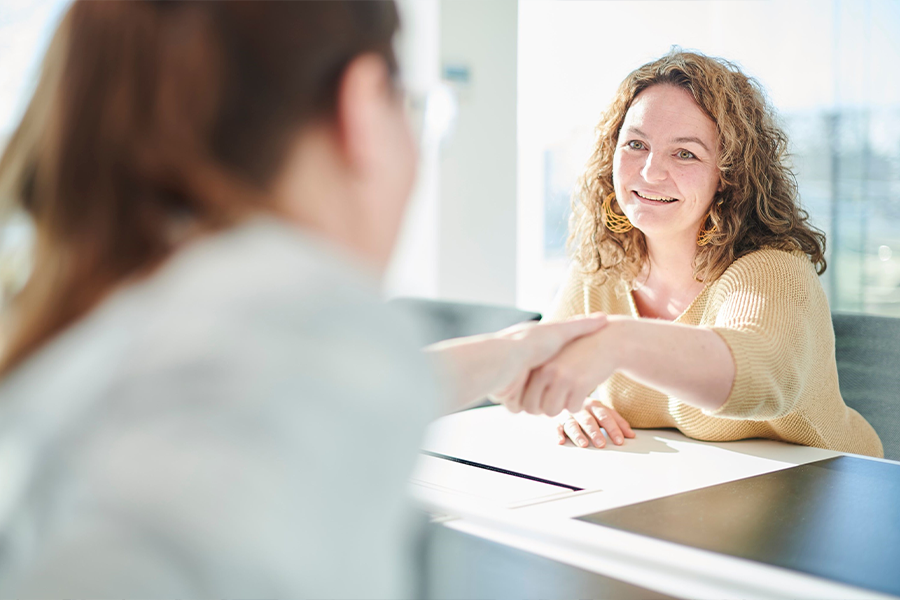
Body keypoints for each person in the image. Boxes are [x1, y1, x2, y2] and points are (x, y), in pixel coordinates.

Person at [0, 2, 602, 596]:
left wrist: (512, 352)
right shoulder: (292, 323)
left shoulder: (104, 317)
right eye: (414, 111)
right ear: (363, 104)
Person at [496, 50, 883, 458]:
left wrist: (617, 341)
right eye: (636, 144)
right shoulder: (604, 265)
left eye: (685, 153)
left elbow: (759, 378)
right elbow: (537, 371)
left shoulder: (773, 268)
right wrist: (568, 408)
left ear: (728, 174)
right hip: (680, 483)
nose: (650, 172)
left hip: (828, 484)